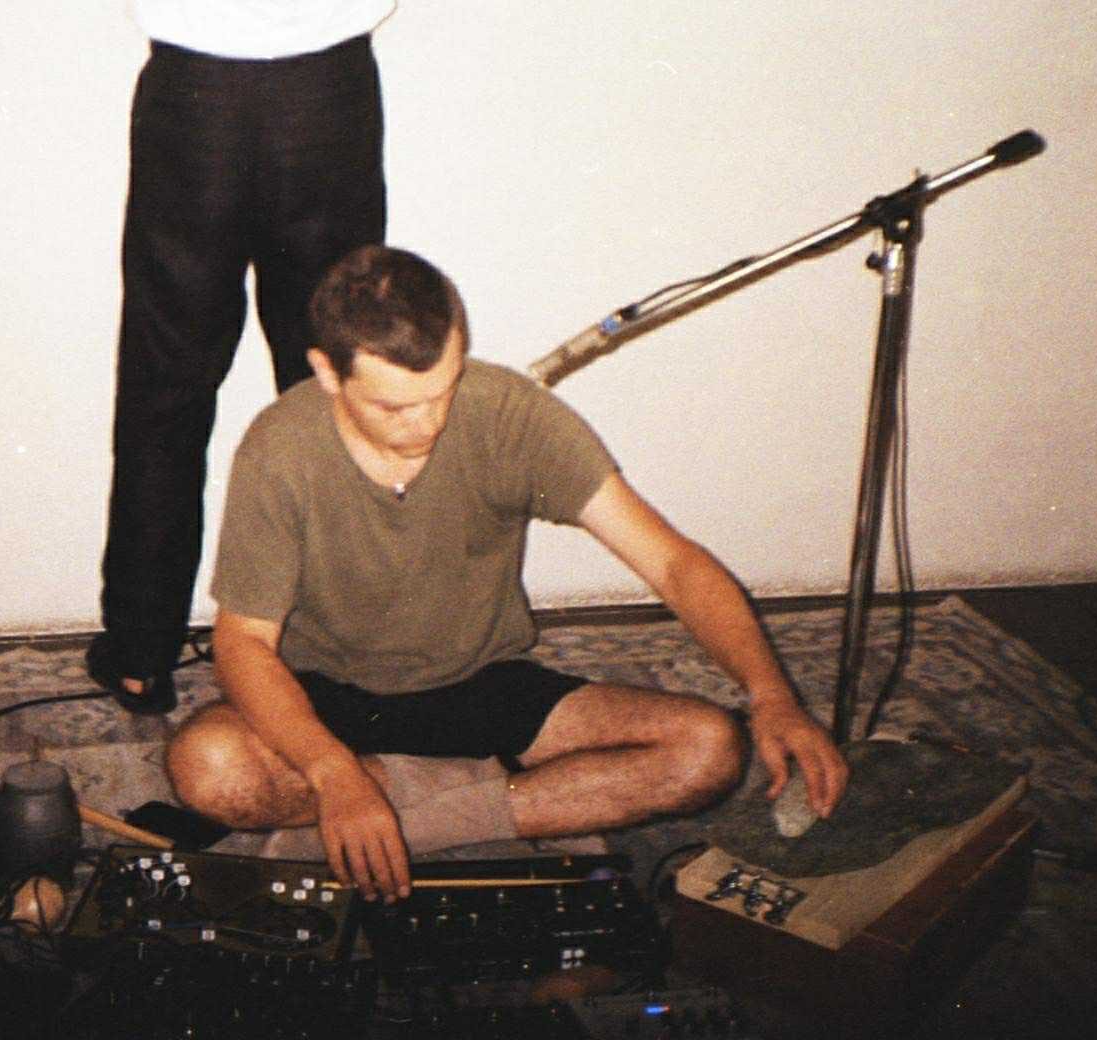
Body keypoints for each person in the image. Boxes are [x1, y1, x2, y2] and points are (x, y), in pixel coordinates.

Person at [165, 246, 849, 902]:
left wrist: (771, 694)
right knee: (208, 767)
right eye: (395, 407)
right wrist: (331, 769)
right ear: (326, 372)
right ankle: (468, 795)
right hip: (329, 694)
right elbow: (243, 643)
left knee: (709, 749)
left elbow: (673, 563)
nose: (428, 423)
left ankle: (416, 815)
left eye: (443, 390)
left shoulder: (511, 414)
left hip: (482, 683)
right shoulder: (282, 448)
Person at [91, 1, 396, 713]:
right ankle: (343, 651)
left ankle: (139, 652)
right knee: (332, 377)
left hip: (194, 93)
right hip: (327, 90)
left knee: (167, 380)